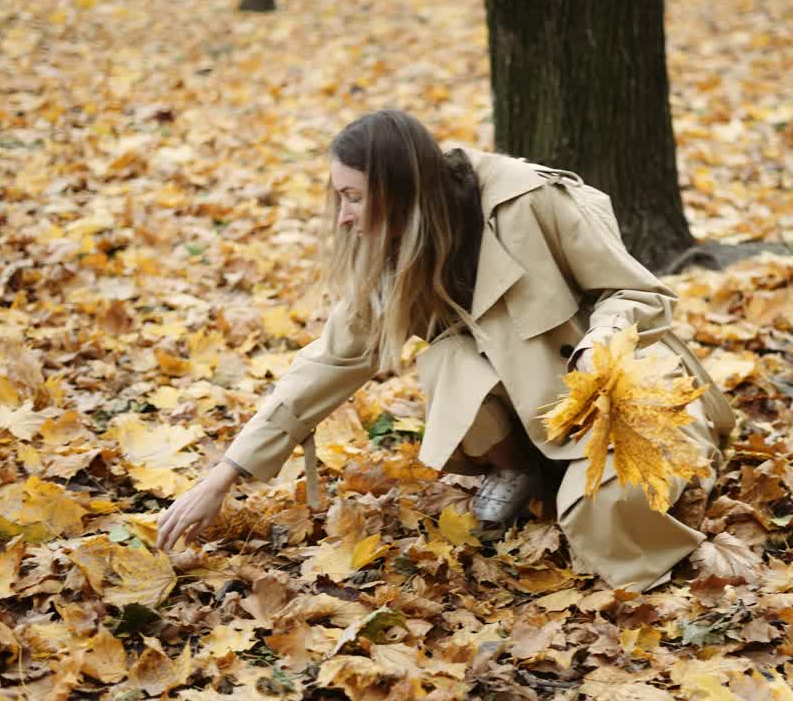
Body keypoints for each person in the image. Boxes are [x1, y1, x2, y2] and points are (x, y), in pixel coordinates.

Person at [155, 110, 734, 592]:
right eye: (340, 198)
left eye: (354, 197)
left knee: (610, 528)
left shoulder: (530, 200)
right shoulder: (388, 251)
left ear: (400, 188)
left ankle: (640, 476)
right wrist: (224, 475)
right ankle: (520, 469)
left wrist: (602, 341)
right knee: (446, 358)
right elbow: (331, 360)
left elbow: (638, 291)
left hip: (613, 394)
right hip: (526, 405)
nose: (345, 216)